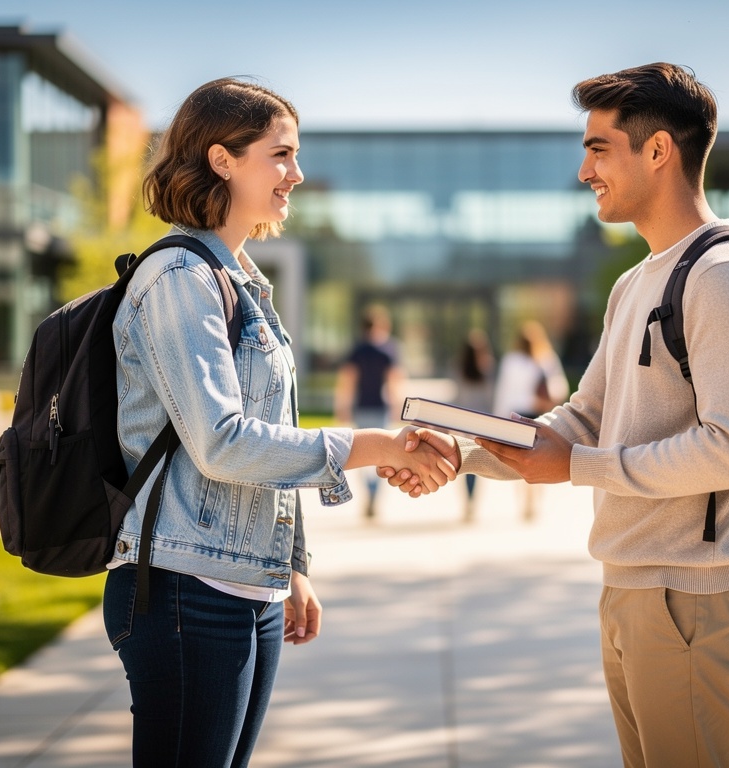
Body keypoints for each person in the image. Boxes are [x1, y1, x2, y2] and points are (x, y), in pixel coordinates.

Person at [387, 63, 729, 767]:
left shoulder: (728, 276)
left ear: (658, 150)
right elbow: (585, 417)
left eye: (598, 148)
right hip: (634, 587)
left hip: (694, 595)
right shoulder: (637, 281)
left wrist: (577, 468)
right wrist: (461, 452)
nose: (584, 171)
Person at [102, 77, 455, 768]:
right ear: (221, 159)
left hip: (246, 586)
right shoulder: (180, 276)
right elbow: (222, 441)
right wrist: (372, 445)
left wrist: (290, 567)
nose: (296, 174)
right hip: (181, 588)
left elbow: (270, 423)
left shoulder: (241, 279)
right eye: (281, 155)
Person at [492, 320, 568, 520]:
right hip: (539, 416)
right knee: (541, 457)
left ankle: (524, 503)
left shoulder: (511, 361)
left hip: (517, 416)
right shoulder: (546, 359)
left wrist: (498, 418)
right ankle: (535, 502)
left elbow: (504, 392)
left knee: (519, 460)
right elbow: (561, 388)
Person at [334, 304, 404, 519]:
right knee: (383, 454)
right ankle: (374, 495)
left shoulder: (358, 349)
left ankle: (369, 493)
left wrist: (342, 406)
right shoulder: (389, 349)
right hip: (380, 407)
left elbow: (348, 380)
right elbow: (394, 381)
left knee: (364, 454)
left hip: (362, 406)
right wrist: (397, 406)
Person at [452, 327, 495, 520]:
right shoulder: (487, 368)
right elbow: (491, 397)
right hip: (482, 422)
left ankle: (468, 501)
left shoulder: (459, 368)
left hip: (464, 422)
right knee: (478, 463)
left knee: (466, 462)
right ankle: (473, 501)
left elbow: (457, 396)